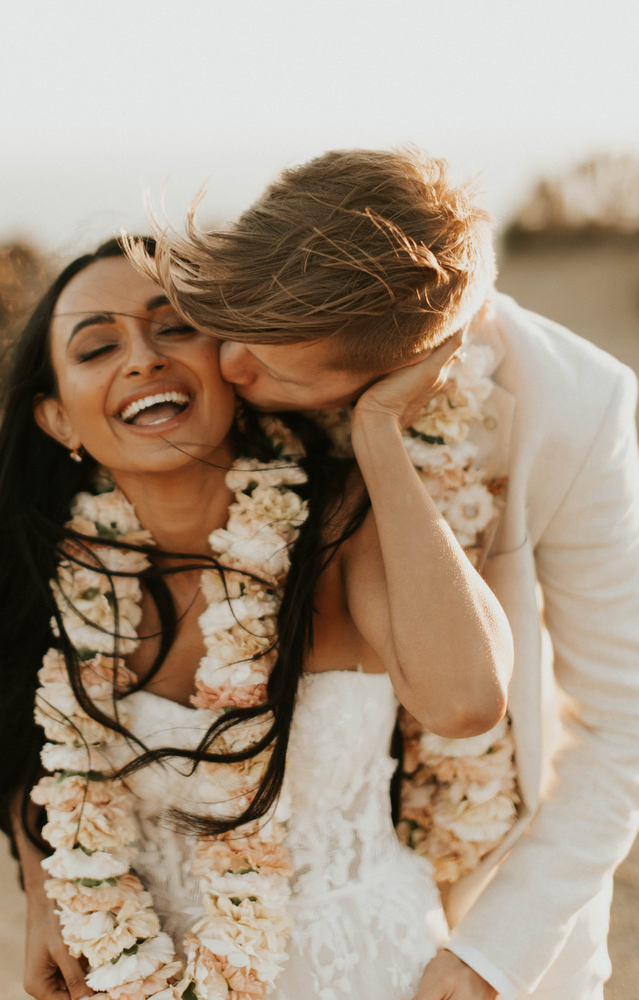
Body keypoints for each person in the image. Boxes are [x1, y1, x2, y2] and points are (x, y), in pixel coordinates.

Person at [0, 236, 513, 1000]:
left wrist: (376, 429)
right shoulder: (50, 570)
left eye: (173, 327)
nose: (142, 358)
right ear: (58, 420)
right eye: (98, 346)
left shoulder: (342, 524)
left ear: (231, 362)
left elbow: (467, 701)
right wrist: (48, 883)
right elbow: (13, 737)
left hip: (371, 971)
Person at [136, 147, 639, 999]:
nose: (228, 369)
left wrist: (496, 953)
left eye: (273, 367)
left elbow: (623, 723)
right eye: (233, 335)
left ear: (394, 366)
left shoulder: (578, 409)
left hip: (482, 887)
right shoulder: (231, 327)